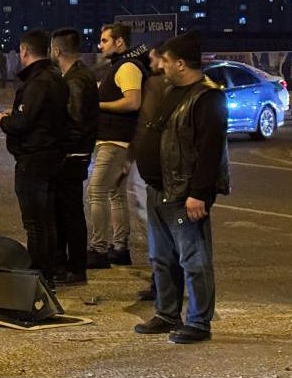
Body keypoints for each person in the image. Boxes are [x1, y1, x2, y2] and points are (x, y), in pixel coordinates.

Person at [132, 32, 228, 344]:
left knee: (194, 259)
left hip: (184, 194)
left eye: (167, 61)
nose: (161, 65)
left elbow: (210, 150)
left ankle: (199, 322)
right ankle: (167, 313)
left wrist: (198, 193)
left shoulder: (207, 97)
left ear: (181, 64)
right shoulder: (173, 90)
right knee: (161, 258)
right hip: (158, 189)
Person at [0, 30, 68, 288]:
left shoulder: (37, 82)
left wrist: (5, 120)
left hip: (34, 160)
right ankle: (47, 272)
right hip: (51, 157)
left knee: (36, 222)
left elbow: (24, 122)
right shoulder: (56, 78)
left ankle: (39, 276)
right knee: (46, 220)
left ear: (24, 51)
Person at [88, 23, 148, 267]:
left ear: (120, 42)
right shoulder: (118, 67)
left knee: (96, 191)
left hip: (115, 140)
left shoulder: (127, 67)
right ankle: (120, 248)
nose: (100, 45)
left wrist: (98, 105)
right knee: (115, 193)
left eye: (105, 41)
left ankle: (98, 249)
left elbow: (133, 102)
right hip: (116, 139)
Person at [49, 29, 98, 285]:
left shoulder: (75, 80)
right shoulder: (78, 75)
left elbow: (76, 121)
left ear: (57, 50)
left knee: (69, 211)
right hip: (75, 153)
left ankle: (74, 267)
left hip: (72, 155)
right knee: (67, 210)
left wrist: (63, 148)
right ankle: (69, 264)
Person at [129, 47, 168, 299]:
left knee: (155, 223)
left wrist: (134, 154)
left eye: (155, 57)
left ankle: (163, 282)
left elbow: (147, 125)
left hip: (154, 167)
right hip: (159, 166)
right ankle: (163, 280)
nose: (150, 62)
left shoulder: (156, 85)